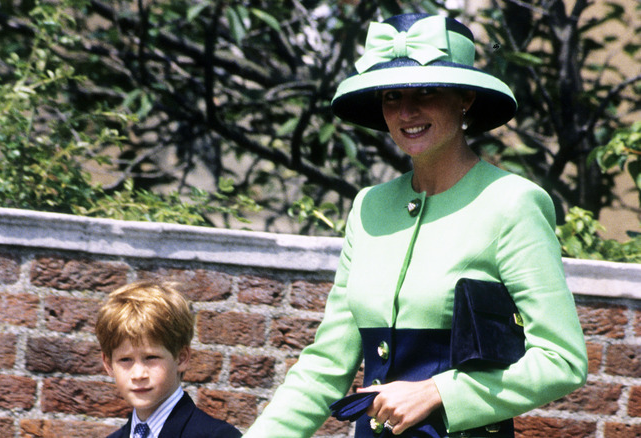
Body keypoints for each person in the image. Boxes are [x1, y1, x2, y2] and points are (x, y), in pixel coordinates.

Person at [243, 13, 587, 438]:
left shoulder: (511, 203)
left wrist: (439, 391)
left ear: (465, 99)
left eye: (426, 91)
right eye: (391, 95)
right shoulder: (369, 206)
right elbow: (324, 367)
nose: (407, 111)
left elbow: (561, 360)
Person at [95, 280, 242, 438]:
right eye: (125, 360)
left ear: (181, 358)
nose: (138, 374)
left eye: (151, 357)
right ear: (109, 364)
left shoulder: (218, 436)